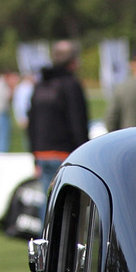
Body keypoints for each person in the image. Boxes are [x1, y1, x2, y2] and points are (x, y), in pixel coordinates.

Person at [25, 40, 89, 207]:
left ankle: (44, 234)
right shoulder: (70, 85)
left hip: (41, 152)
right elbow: (78, 122)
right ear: (73, 62)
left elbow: (31, 122)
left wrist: (34, 153)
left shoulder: (40, 84)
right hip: (64, 152)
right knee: (68, 207)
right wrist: (84, 153)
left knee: (48, 205)